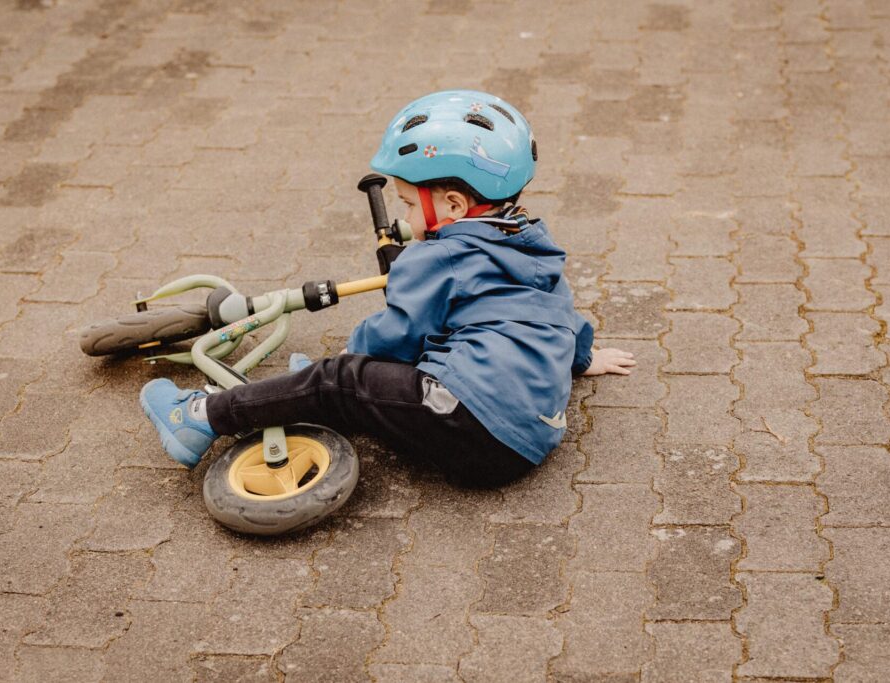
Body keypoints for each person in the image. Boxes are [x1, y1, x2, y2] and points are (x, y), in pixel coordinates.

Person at [140, 90, 635, 488]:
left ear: (456, 206)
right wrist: (583, 356)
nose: (404, 217)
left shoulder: (438, 256)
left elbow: (396, 334)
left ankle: (199, 416)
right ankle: (305, 395)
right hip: (531, 433)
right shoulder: (527, 240)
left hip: (474, 431)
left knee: (339, 380)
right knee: (374, 380)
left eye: (409, 204)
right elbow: (559, 309)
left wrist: (334, 372)